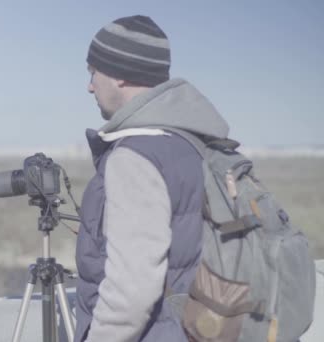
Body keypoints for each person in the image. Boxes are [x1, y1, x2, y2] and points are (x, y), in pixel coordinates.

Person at [75, 15, 230, 342]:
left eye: (93, 73)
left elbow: (131, 290)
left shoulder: (136, 157)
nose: (90, 85)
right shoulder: (199, 146)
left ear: (118, 74)